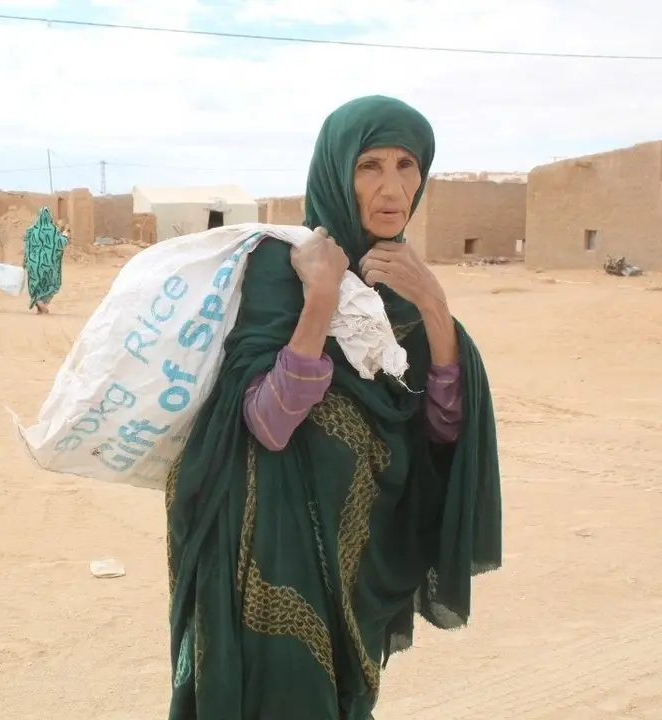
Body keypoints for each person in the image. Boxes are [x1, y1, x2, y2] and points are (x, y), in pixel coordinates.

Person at [165, 95, 502, 719]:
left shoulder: (408, 287)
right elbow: (267, 424)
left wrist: (433, 306)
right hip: (273, 548)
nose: (392, 188)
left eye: (408, 166)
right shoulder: (280, 265)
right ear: (336, 169)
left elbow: (445, 427)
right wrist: (320, 298)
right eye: (370, 165)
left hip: (363, 551)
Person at [23, 207, 69, 314]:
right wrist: (65, 236)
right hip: (47, 264)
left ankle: (39, 306)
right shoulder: (53, 230)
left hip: (33, 264)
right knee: (49, 284)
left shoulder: (32, 230)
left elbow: (27, 247)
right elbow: (60, 243)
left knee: (35, 285)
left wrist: (25, 261)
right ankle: (40, 301)